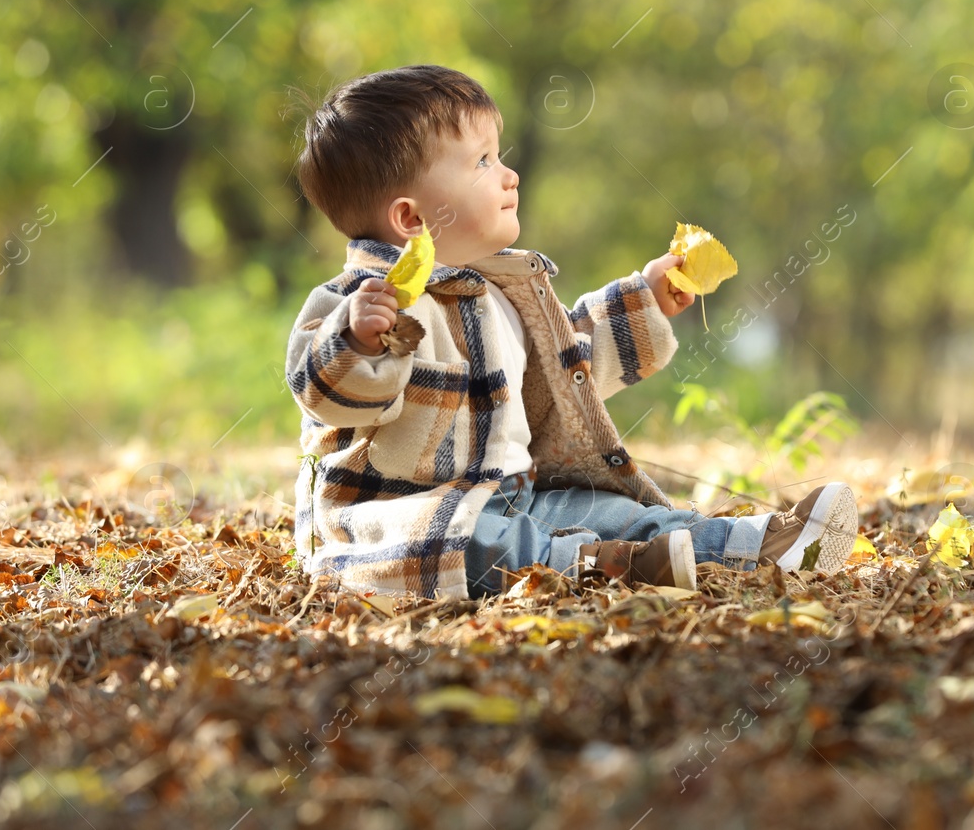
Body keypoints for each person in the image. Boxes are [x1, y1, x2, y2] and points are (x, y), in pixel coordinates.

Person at [284, 64, 859, 599]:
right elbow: (325, 393)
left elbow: (568, 363)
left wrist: (646, 301)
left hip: (517, 497)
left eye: (499, 155)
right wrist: (359, 342)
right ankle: (618, 567)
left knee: (614, 512)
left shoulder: (500, 293)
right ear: (411, 219)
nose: (508, 175)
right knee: (483, 543)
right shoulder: (354, 305)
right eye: (482, 162)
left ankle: (760, 547)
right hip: (401, 519)